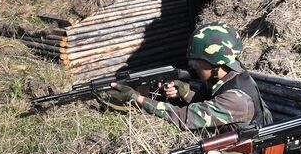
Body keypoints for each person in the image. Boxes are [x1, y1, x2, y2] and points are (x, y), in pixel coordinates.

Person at [106, 21, 272, 131]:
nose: (193, 67)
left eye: (198, 63)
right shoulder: (230, 72)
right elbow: (212, 105)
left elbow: (184, 118)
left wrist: (137, 98)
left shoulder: (236, 99)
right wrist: (185, 93)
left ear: (216, 63)